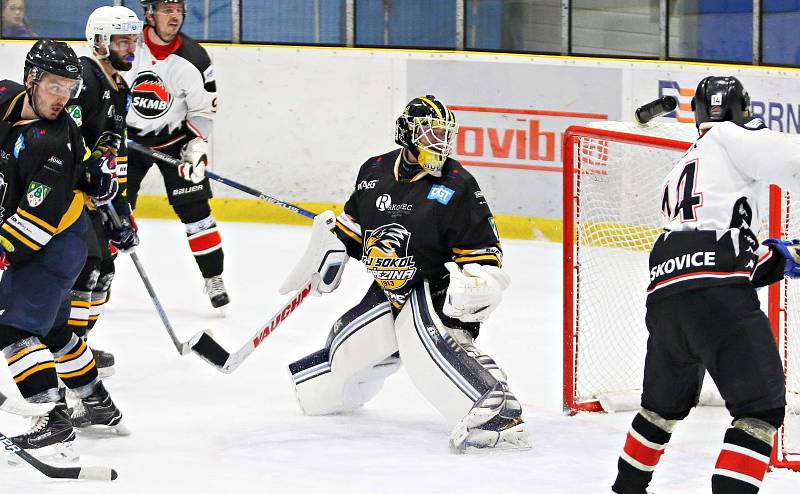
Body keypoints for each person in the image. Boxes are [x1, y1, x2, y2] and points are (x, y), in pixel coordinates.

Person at [601, 76, 799, 494]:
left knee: (662, 405)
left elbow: (707, 251)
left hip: (666, 292)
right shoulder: (732, 137)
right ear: (740, 111)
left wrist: (777, 257)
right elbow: (792, 160)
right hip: (714, 294)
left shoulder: (683, 167)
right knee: (762, 405)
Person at [280, 95, 528, 453]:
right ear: (407, 134)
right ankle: (347, 380)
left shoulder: (459, 185)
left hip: (433, 293)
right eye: (430, 134)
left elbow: (484, 253)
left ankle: (497, 409)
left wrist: (478, 282)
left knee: (432, 348)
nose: (440, 143)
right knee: (333, 361)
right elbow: (354, 232)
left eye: (445, 135)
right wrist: (330, 245)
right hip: (386, 290)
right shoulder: (373, 173)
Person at [0, 40, 128, 457]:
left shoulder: (50, 145)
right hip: (57, 242)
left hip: (50, 245)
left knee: (15, 328)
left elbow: (32, 229)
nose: (63, 97)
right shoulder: (6, 96)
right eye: (55, 86)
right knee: (56, 332)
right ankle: (96, 402)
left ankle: (51, 418)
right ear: (30, 80)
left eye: (70, 88)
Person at [123, 0, 228, 309]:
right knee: (113, 212)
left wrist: (196, 148)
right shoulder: (128, 47)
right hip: (128, 142)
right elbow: (109, 91)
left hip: (175, 142)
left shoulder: (194, 59)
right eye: (167, 9)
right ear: (149, 14)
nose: (175, 16)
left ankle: (214, 278)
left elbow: (201, 110)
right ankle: (98, 278)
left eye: (179, 10)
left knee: (196, 212)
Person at [65, 6, 143, 379]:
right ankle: (69, 351)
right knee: (88, 270)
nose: (131, 47)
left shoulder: (119, 86)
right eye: (122, 40)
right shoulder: (84, 77)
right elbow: (66, 139)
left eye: (134, 39)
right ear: (99, 42)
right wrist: (88, 172)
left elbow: (114, 154)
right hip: (70, 198)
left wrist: (122, 207)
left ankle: (78, 344)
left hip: (99, 197)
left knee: (105, 271)